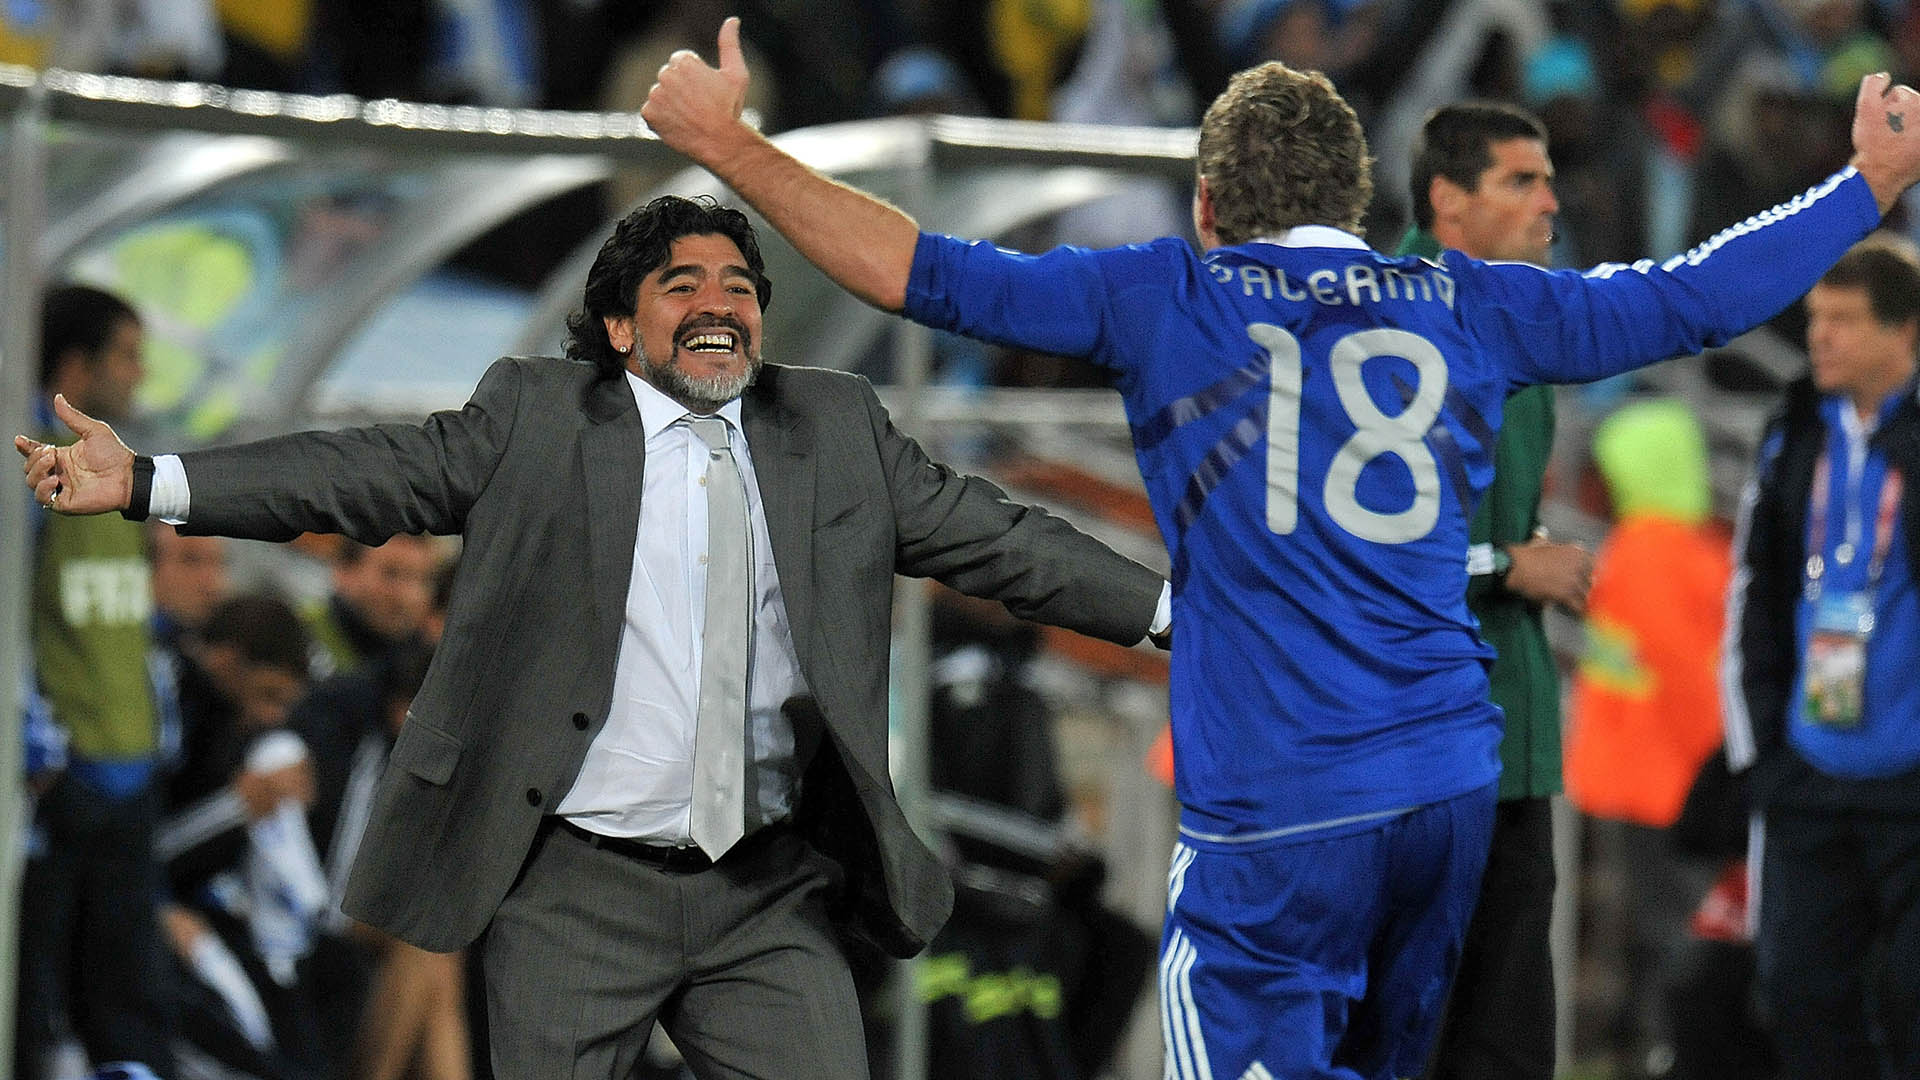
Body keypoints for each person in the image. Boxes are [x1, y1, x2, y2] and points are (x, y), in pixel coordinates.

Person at [637, 20, 1920, 1077]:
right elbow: (1687, 298)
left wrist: (727, 145)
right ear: (1356, 204)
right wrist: (1864, 186)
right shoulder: (1471, 300)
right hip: (1446, 795)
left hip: (1280, 819)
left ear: (1208, 206)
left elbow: (919, 271)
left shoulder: (1165, 297)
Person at [16, 194, 1170, 1080]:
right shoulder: (536, 417)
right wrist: (151, 480)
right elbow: (357, 474)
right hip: (573, 891)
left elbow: (1004, 540)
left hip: (764, 891)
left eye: (740, 283)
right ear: (621, 324)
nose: (721, 300)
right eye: (683, 283)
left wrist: (1181, 617)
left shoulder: (836, 428)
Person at [1399, 101, 1593, 1080]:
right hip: (1406, 758)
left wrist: (1515, 555)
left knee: (1508, 1042)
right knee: (1406, 1036)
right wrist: (1506, 567)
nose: (1550, 204)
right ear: (1447, 197)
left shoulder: (1519, 315)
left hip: (1512, 743)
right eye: (1521, 180)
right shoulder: (1375, 324)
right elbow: (1341, 555)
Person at [1722, 234, 1920, 1080]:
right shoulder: (1796, 426)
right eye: (1815, 318)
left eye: (1843, 320)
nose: (1820, 337)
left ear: (1904, 331)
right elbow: (1750, 592)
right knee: (1800, 996)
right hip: (1808, 772)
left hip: (1912, 780)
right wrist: (1762, 753)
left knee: (1912, 1000)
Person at [17, 283, 175, 1080]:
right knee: (37, 1005)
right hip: (60, 779)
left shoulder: (124, 479)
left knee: (128, 1000)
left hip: (131, 768)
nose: (140, 375)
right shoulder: (29, 474)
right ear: (75, 365)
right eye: (127, 355)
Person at [1566, 399, 1730, 1076]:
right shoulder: (1685, 550)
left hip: (1643, 777)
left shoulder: (1641, 549)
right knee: (1666, 929)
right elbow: (1688, 676)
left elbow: (1664, 670)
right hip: (1664, 778)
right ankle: (1657, 1048)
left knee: (1659, 931)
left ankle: (1655, 1049)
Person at [301, 533, 438, 677]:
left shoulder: (430, 661)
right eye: (391, 573)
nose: (410, 596)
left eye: (425, 580)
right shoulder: (301, 633)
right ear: (344, 570)